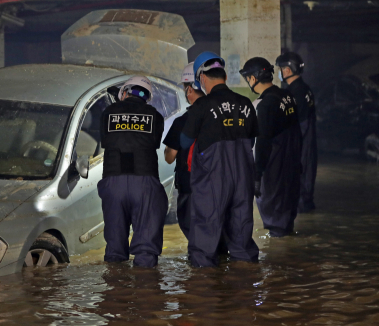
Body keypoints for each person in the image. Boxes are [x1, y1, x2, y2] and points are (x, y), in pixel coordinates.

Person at [179, 52, 260, 267]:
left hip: (212, 178)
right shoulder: (245, 104)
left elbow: (185, 142)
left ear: (202, 79)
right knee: (241, 229)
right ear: (224, 76)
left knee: (206, 230)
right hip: (243, 176)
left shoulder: (202, 107)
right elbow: (251, 141)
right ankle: (244, 289)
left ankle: (205, 291)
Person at [97, 76, 167, 268]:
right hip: (144, 183)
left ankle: (117, 292)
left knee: (114, 249)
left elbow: (107, 140)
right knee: (146, 249)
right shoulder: (155, 116)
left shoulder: (107, 113)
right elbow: (153, 142)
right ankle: (146, 292)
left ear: (125, 92)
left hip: (113, 182)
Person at [240, 57, 302, 238]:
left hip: (274, 170)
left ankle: (279, 260)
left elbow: (262, 143)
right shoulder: (287, 96)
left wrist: (257, 175)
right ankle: (287, 256)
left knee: (275, 219)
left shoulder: (263, 105)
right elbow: (298, 132)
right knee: (285, 220)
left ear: (253, 78)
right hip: (291, 166)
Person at [162, 62, 204, 239]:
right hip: (216, 186)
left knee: (194, 236)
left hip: (190, 186)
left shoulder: (182, 121)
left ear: (189, 89)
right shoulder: (218, 116)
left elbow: (170, 157)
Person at [276, 52, 317, 213]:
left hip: (301, 143)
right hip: (307, 143)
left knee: (300, 183)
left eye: (281, 69)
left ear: (287, 70)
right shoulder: (305, 89)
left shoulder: (294, 93)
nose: (280, 72)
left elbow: (299, 124)